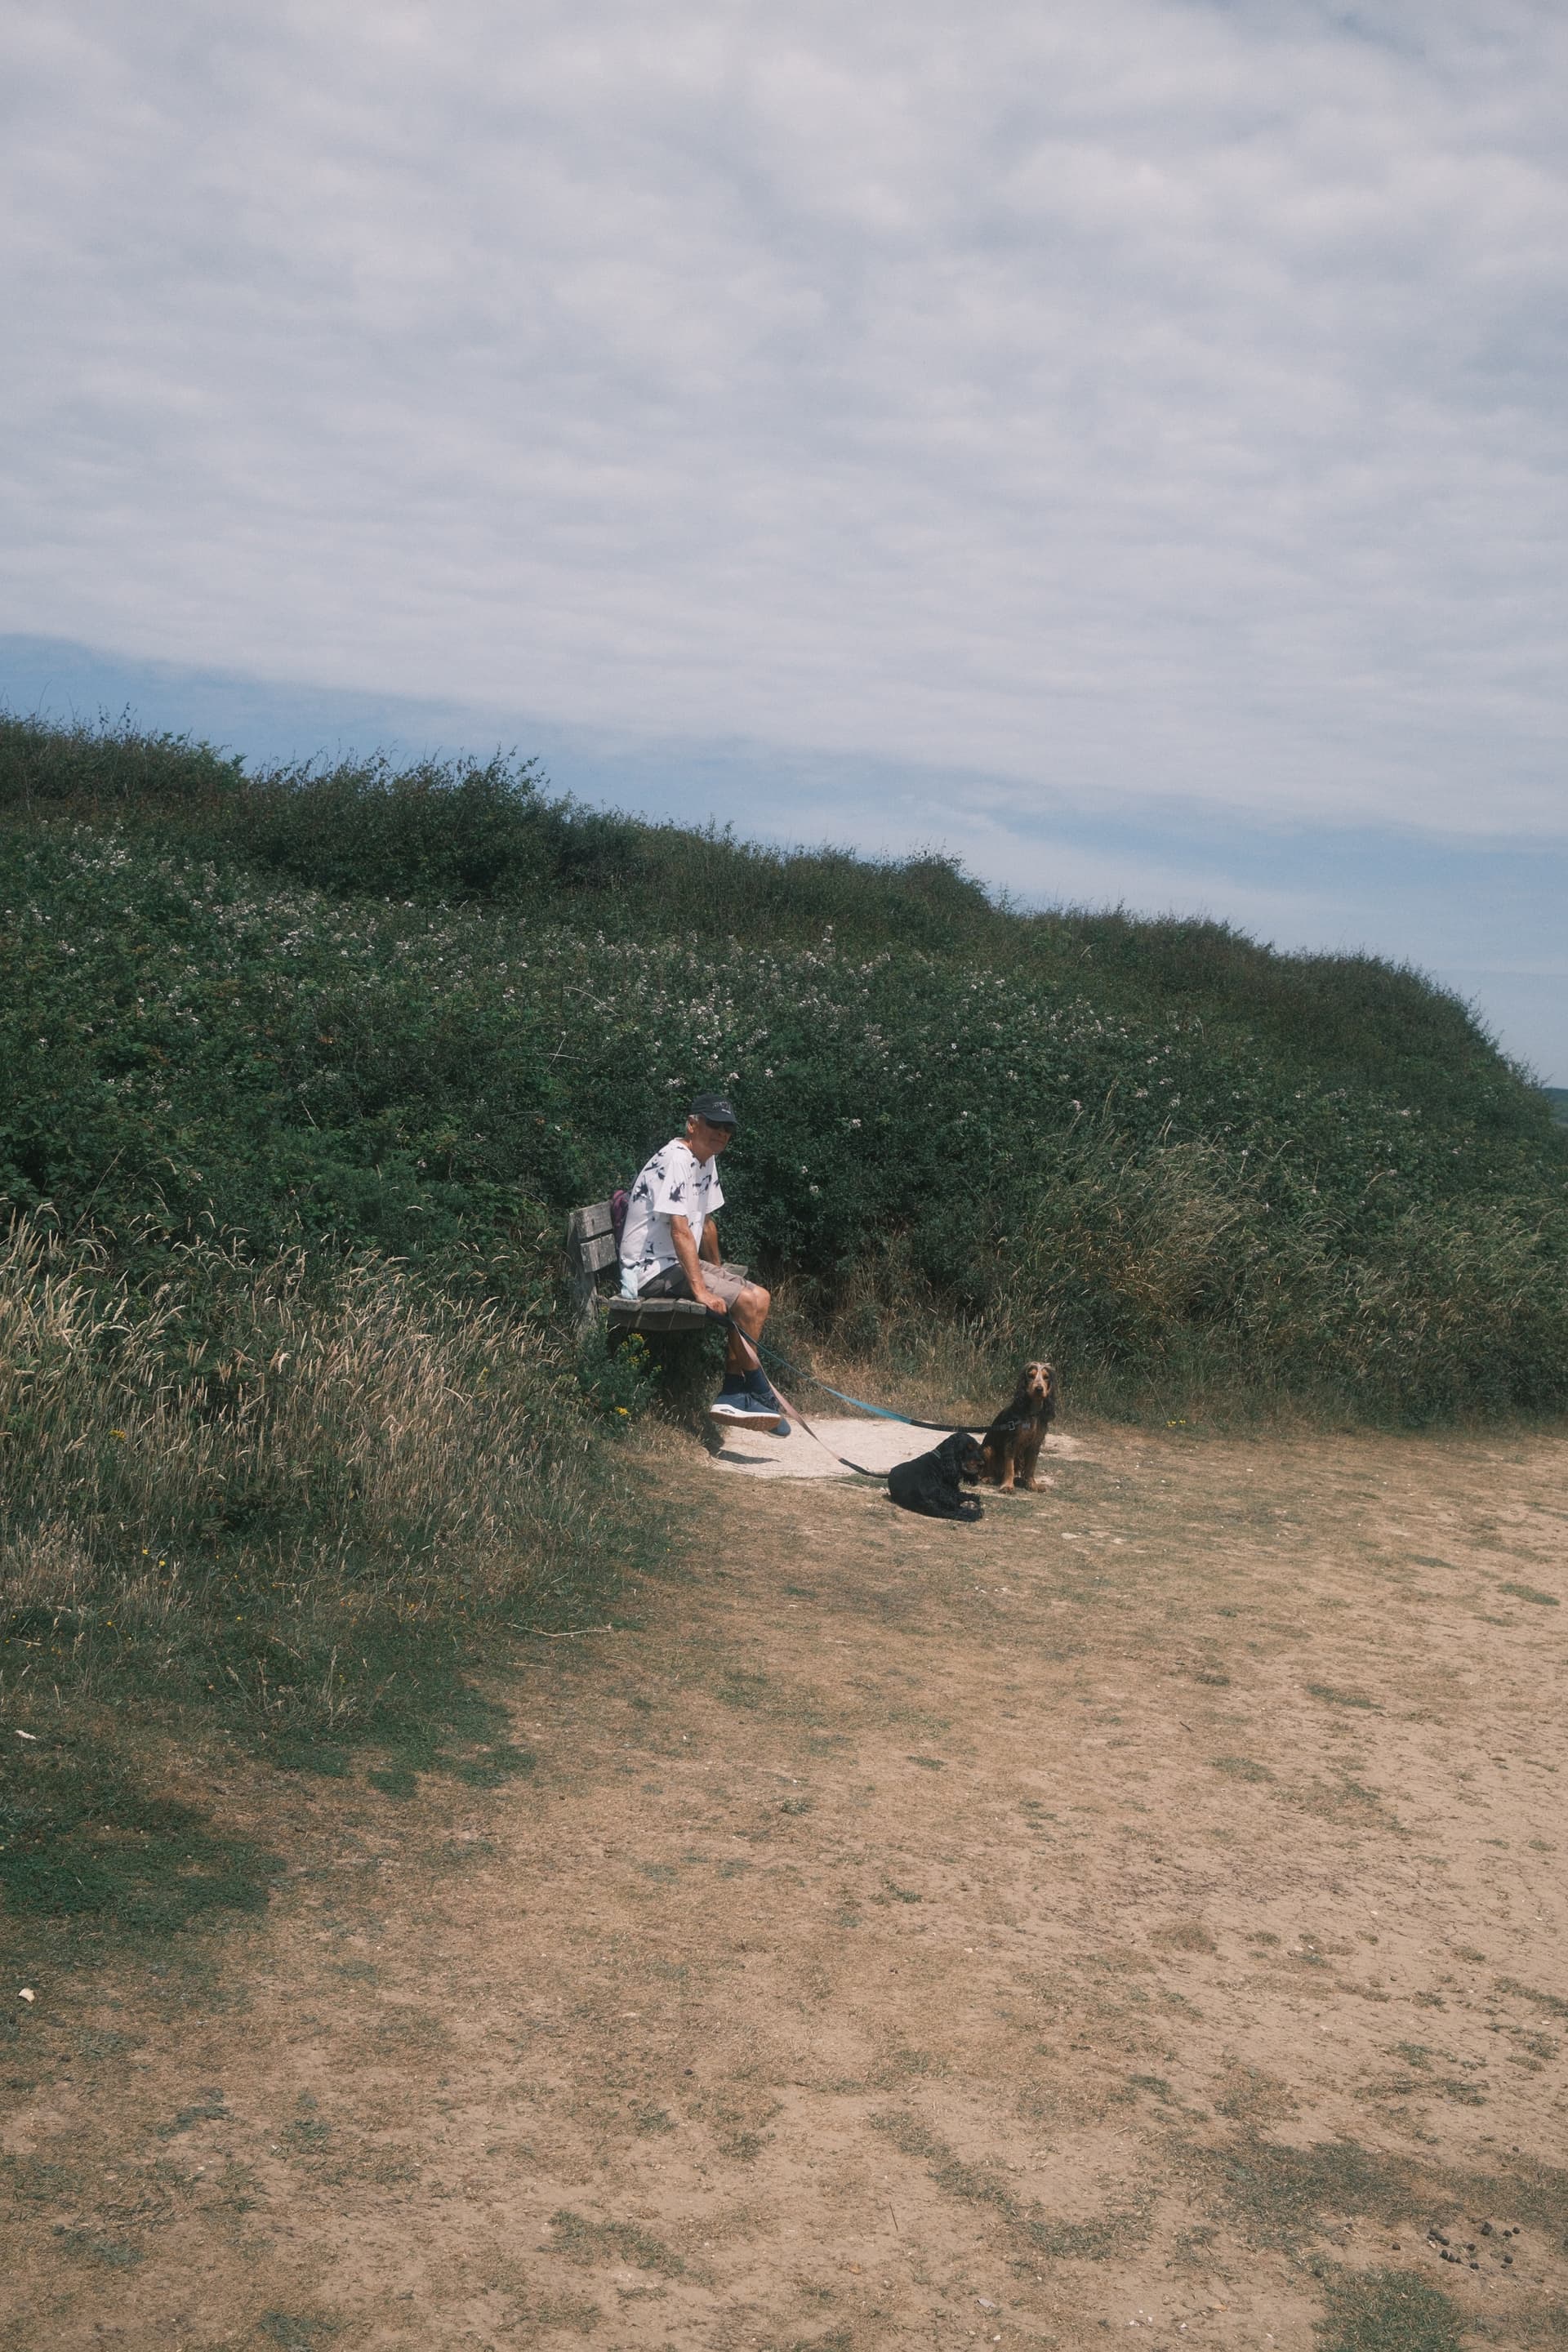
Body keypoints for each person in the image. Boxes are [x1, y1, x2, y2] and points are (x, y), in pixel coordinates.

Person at [618, 1093, 790, 1432]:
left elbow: (706, 1222)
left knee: (760, 1297)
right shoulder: (675, 1159)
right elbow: (679, 1229)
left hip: (676, 1263)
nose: (722, 1134)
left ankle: (733, 1392)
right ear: (692, 1124)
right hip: (650, 1269)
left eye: (728, 1129)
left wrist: (720, 1271)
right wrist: (701, 1289)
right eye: (714, 1125)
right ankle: (755, 1389)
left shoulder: (705, 1158)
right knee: (742, 1300)